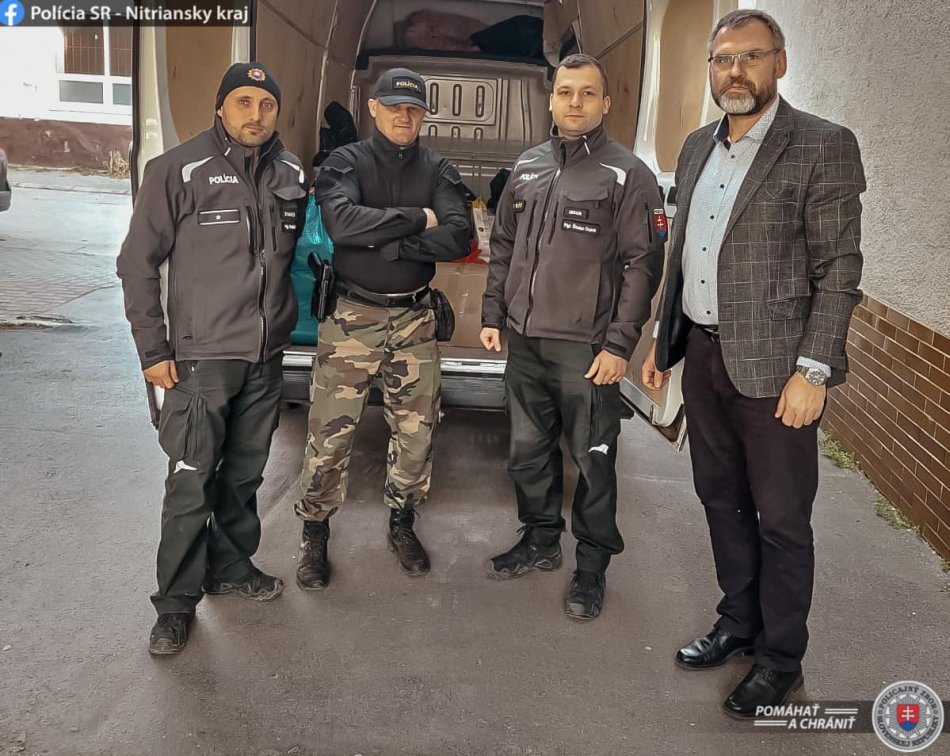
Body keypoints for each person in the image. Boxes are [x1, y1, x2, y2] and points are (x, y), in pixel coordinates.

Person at [641, 9, 865, 717]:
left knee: (782, 518)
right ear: (710, 68)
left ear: (780, 62)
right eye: (723, 59)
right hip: (705, 356)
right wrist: (664, 345)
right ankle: (738, 621)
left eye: (751, 56)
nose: (735, 71)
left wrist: (814, 370)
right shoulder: (697, 146)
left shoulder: (822, 145)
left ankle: (781, 658)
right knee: (720, 499)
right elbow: (685, 254)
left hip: (779, 373)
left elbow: (839, 269)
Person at [117, 62, 306, 655]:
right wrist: (153, 349)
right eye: (243, 101)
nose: (256, 114)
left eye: (266, 104)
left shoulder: (292, 172)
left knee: (245, 473)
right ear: (222, 106)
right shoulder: (177, 169)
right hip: (201, 359)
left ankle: (230, 566)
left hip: (265, 357)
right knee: (191, 480)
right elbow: (136, 264)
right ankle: (175, 604)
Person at [480, 54, 665, 620]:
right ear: (552, 99)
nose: (575, 102)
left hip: (586, 351)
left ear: (605, 103)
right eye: (565, 92)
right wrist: (493, 313)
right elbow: (504, 245)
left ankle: (591, 565)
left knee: (593, 460)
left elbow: (642, 265)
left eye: (587, 93)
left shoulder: (627, 175)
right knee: (527, 452)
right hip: (525, 342)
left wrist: (619, 346)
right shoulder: (528, 166)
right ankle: (540, 540)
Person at [294, 68, 470, 589]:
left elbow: (458, 236)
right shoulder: (345, 162)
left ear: (424, 116)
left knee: (416, 434)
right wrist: (418, 218)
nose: (404, 116)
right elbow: (341, 224)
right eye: (394, 106)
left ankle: (402, 521)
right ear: (373, 108)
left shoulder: (438, 168)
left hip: (415, 318)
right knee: (330, 434)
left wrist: (390, 242)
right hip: (353, 316)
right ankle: (315, 531)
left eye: (414, 109)